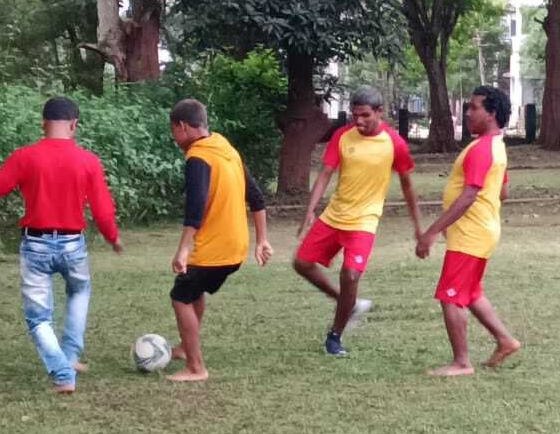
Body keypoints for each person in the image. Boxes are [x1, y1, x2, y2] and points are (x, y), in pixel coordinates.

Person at [0, 96, 122, 393]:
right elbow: (103, 211)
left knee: (39, 316)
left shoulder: (25, 157)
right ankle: (69, 357)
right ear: (74, 125)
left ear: (43, 124)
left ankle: (63, 372)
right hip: (72, 244)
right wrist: (113, 238)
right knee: (80, 291)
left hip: (36, 244)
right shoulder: (89, 161)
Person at [294, 87, 421, 357]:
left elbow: (408, 185)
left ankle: (334, 338)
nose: (359, 121)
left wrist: (418, 226)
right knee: (301, 263)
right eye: (355, 116)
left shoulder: (394, 143)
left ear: (379, 112)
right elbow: (325, 173)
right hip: (334, 215)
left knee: (350, 275)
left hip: (365, 220)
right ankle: (346, 303)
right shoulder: (342, 135)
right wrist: (310, 209)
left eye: (365, 115)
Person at [415, 86, 521, 376]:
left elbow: (468, 195)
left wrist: (432, 231)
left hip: (471, 234)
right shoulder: (495, 146)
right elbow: (504, 192)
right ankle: (505, 340)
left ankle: (462, 363)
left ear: (492, 113)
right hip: (481, 230)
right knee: (471, 292)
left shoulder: (484, 148)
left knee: (451, 296)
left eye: (474, 108)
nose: (468, 112)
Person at [166, 99, 272, 382]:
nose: (175, 139)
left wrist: (184, 248)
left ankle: (196, 367)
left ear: (183, 127)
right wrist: (262, 241)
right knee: (194, 292)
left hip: (213, 248)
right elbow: (258, 198)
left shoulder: (198, 156)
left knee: (180, 297)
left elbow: (195, 207)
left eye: (173, 132)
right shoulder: (227, 150)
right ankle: (185, 349)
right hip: (235, 247)